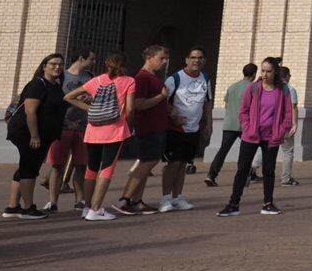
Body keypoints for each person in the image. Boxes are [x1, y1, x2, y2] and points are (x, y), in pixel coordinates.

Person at [217, 56, 295, 218]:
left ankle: (268, 203)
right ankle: (233, 204)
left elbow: (288, 115)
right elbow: (243, 111)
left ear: (275, 72)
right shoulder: (253, 88)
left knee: (269, 170)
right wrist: (247, 127)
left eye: (269, 71)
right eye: (263, 70)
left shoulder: (283, 90)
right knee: (242, 169)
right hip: (251, 135)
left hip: (271, 137)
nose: (265, 74)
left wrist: (281, 131)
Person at [71, 55, 136, 221]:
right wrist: (129, 124)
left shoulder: (97, 80)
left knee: (91, 168)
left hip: (93, 130)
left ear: (106, 65)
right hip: (115, 130)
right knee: (106, 169)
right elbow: (129, 109)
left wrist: (89, 109)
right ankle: (96, 208)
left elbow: (69, 97)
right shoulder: (128, 81)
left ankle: (87, 207)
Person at [3, 53, 66, 219]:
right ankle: (27, 208)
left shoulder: (56, 85)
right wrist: (35, 136)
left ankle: (12, 207)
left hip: (43, 134)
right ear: (44, 66)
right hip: (27, 132)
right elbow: (30, 111)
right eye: (53, 64)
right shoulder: (37, 84)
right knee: (29, 168)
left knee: (26, 166)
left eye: (60, 64)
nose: (57, 67)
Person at [113, 45, 172, 216]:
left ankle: (137, 201)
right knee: (147, 162)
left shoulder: (154, 78)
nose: (164, 62)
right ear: (149, 58)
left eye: (166, 58)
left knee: (149, 163)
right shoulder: (142, 78)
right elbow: (138, 104)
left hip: (158, 126)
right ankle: (125, 199)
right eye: (161, 58)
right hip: (148, 127)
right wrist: (161, 97)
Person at [161, 49, 213, 211]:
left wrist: (209, 123)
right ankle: (165, 198)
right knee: (173, 164)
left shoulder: (205, 78)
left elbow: (207, 103)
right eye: (193, 58)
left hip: (194, 128)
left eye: (200, 58)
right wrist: (173, 114)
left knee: (183, 163)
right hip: (176, 129)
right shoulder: (175, 79)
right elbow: (163, 100)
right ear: (186, 59)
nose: (196, 61)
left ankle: (178, 197)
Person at [44, 49, 97, 211]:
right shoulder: (61, 77)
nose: (94, 62)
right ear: (81, 58)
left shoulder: (91, 77)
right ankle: (52, 201)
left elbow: (98, 97)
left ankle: (80, 200)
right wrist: (66, 118)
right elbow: (54, 102)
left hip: (84, 127)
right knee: (57, 165)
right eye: (91, 59)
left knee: (81, 165)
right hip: (62, 127)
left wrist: (91, 98)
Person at [206, 63, 256, 187]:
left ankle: (211, 175)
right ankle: (243, 177)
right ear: (254, 74)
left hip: (229, 123)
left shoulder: (233, 86)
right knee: (245, 152)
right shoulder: (253, 88)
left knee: (223, 150)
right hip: (245, 124)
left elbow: (227, 104)